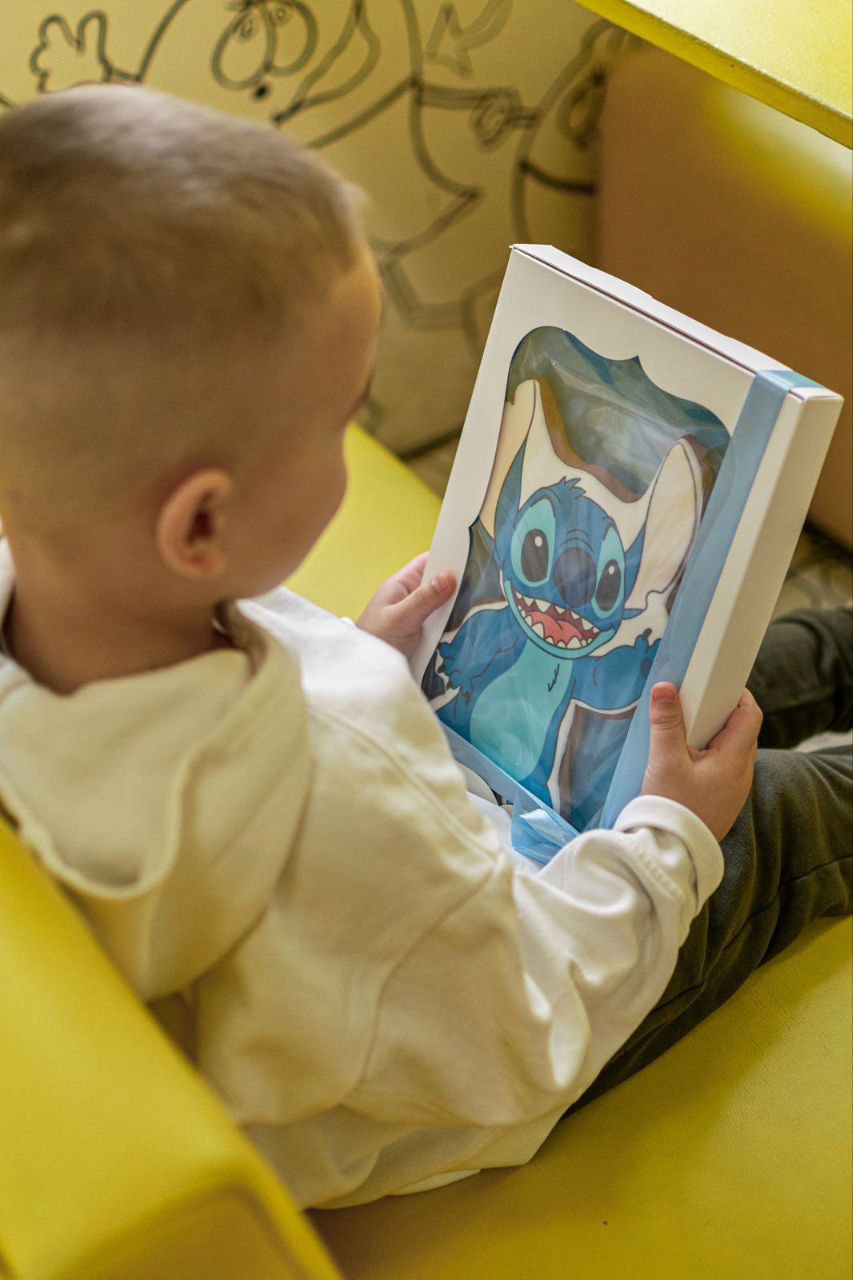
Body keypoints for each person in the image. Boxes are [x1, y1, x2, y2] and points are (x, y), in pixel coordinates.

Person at [0, 85, 849, 1210]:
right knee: (777, 807)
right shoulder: (347, 796)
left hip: (400, 929)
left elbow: (239, 713)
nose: (350, 438)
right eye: (339, 420)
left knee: (716, 684)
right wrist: (669, 839)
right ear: (201, 525)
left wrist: (362, 655)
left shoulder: (64, 594)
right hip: (524, 1006)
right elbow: (533, 1018)